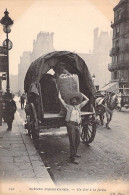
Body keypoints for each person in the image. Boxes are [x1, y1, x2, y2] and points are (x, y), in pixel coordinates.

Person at [58, 91, 89, 164]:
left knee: (77, 141)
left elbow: (87, 100)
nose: (74, 101)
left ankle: (75, 153)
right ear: (71, 101)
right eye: (72, 100)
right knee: (72, 141)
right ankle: (73, 158)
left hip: (77, 125)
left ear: (77, 101)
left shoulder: (79, 106)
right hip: (71, 125)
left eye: (75, 99)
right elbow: (61, 99)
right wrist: (59, 95)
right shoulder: (68, 106)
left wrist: (82, 94)